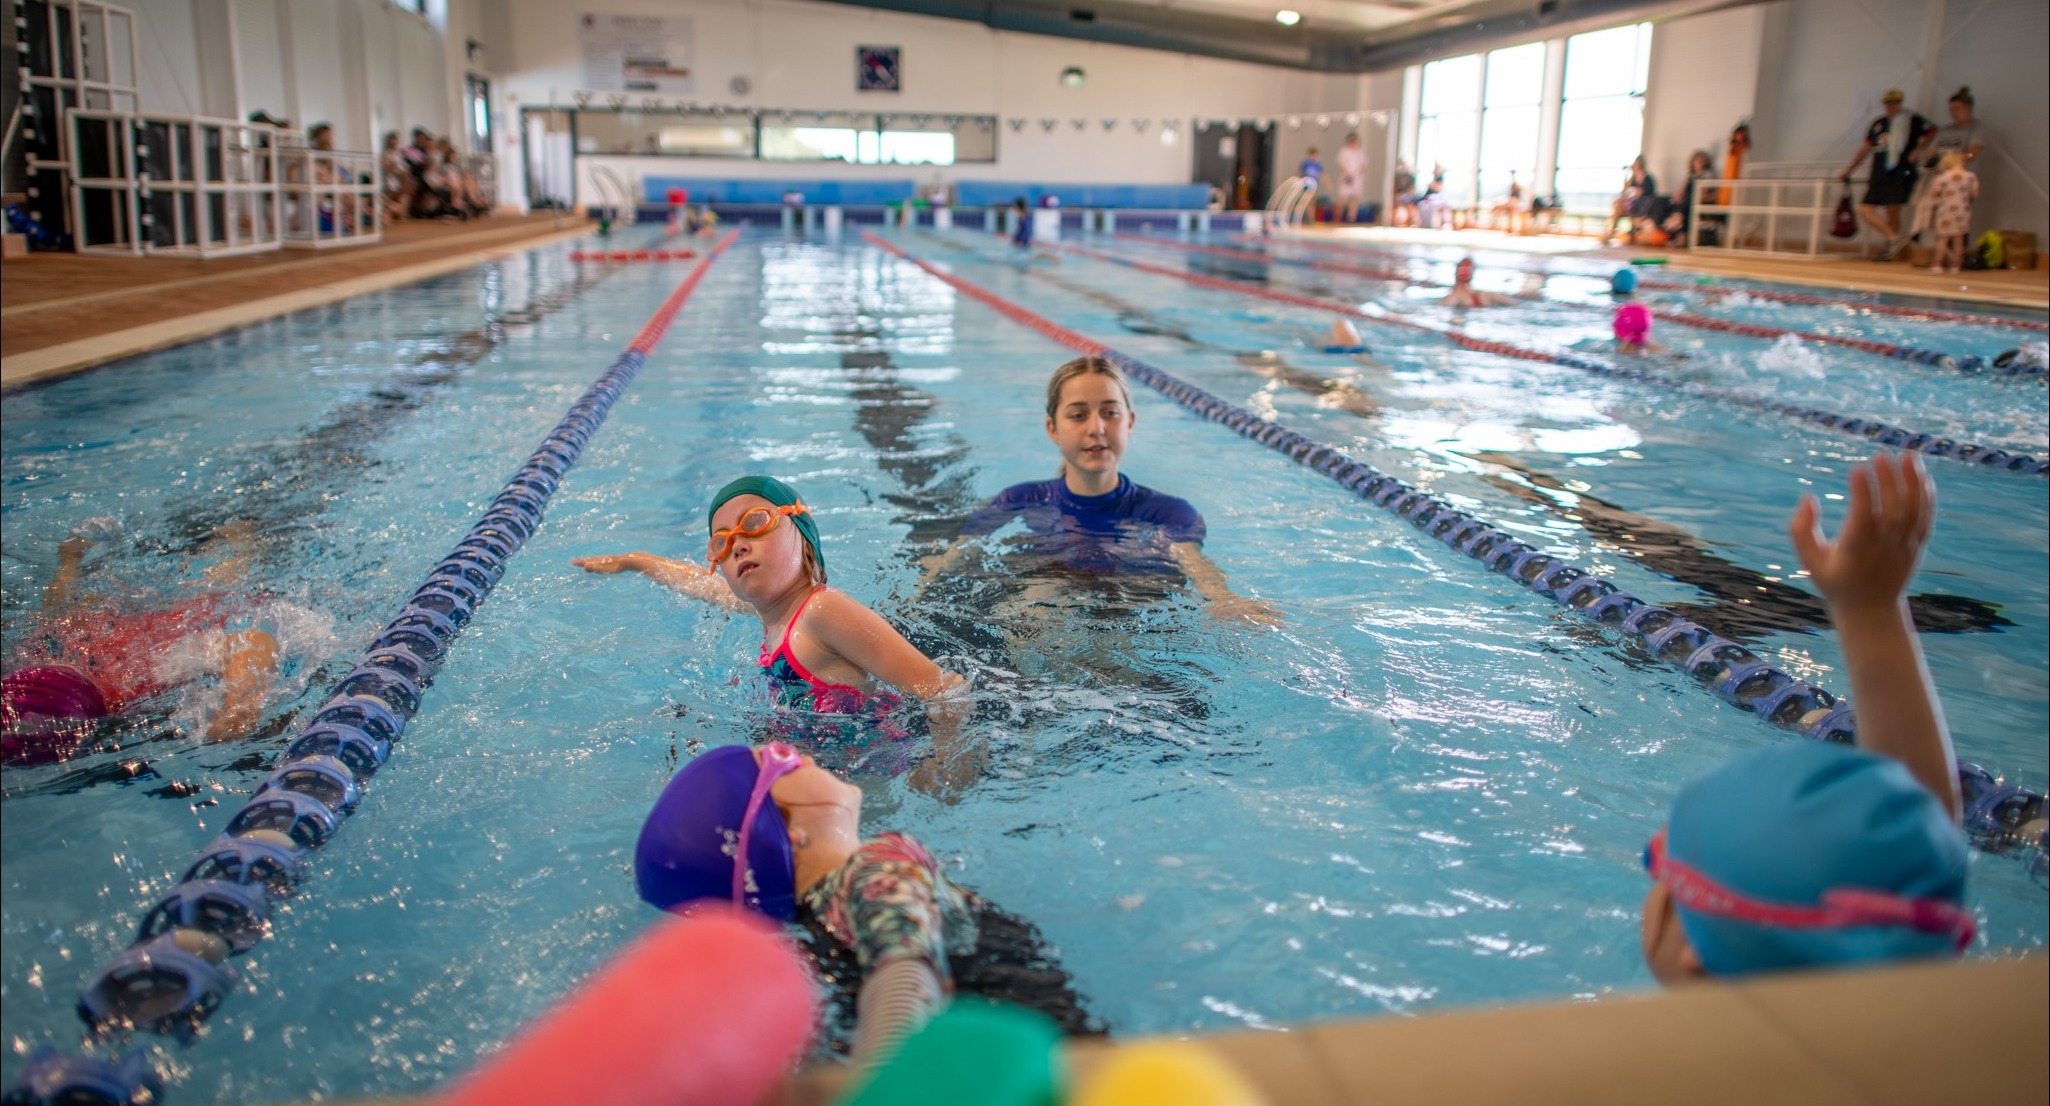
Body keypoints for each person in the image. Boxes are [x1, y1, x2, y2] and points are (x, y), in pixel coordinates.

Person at [1640, 453, 1975, 984]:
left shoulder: (1642, 1066)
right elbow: (1914, 834)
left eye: (1656, 865)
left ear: (1693, 957)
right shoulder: (1902, 1004)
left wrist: (1869, 611)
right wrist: (1872, 610)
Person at [634, 741, 1102, 1062]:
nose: (804, 754)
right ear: (786, 834)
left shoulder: (808, 943)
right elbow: (904, 968)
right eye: (782, 760)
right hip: (1051, 1063)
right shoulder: (876, 864)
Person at [571, 477, 974, 782]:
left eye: (755, 523)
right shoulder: (778, 615)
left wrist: (948, 766)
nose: (738, 546)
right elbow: (704, 586)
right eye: (721, 544)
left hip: (866, 775)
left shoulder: (822, 610)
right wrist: (638, 561)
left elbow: (944, 689)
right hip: (822, 768)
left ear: (805, 539)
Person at [919, 357, 1278, 626]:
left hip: (1132, 601)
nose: (1097, 428)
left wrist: (1223, 598)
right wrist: (921, 588)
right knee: (1032, 613)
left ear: (1130, 422)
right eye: (1078, 415)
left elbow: (1196, 566)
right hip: (1044, 591)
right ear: (1052, 429)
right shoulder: (1018, 500)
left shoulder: (1171, 513)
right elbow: (953, 557)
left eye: (1110, 413)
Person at [1, 521, 327, 764]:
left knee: (217, 598)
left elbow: (249, 635)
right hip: (85, 641)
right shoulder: (58, 649)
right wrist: (240, 706)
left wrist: (240, 708)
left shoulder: (134, 683)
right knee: (64, 615)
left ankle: (238, 541)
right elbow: (249, 639)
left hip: (114, 644)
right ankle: (69, 561)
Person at [1838, 89, 1934, 248]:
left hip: (1899, 172)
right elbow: (1865, 148)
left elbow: (1932, 130)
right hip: (1879, 172)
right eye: (1888, 103)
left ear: (1900, 103)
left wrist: (1918, 150)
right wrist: (1849, 170)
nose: (1891, 106)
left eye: (1894, 103)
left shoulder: (1910, 120)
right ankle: (1894, 238)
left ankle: (1891, 247)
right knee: (1865, 209)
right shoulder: (1878, 124)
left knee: (1892, 209)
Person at [1902, 88, 1985, 252]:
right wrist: (1930, 159)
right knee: (1934, 214)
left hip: (1960, 181)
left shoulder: (1976, 127)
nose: (1953, 113)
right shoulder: (1945, 130)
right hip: (1940, 178)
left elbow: (1973, 152)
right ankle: (1940, 251)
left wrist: (1952, 160)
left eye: (1957, 109)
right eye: (1951, 109)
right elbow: (1932, 152)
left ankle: (1958, 253)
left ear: (1968, 108)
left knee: (1959, 216)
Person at [1923, 152, 1978, 274]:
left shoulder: (1942, 178)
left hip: (1945, 210)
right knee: (1958, 237)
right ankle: (1956, 265)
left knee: (1942, 238)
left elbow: (1934, 194)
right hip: (1963, 210)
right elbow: (1974, 194)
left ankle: (1938, 264)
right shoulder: (1970, 176)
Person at [1604, 157, 1658, 245]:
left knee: (1619, 205)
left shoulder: (1647, 179)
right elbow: (1624, 192)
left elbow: (1644, 194)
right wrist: (1626, 175)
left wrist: (1633, 194)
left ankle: (1611, 232)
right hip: (1631, 204)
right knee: (1618, 204)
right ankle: (1611, 231)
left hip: (1642, 206)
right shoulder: (1632, 179)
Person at [1439, 256, 1512, 308]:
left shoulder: (1455, 296)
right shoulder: (1488, 295)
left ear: (1455, 274)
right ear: (1472, 275)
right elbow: (1512, 303)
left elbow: (1441, 308)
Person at [379, 131, 413, 223]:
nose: (394, 143)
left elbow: (404, 167)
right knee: (392, 199)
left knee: (404, 198)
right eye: (392, 141)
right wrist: (399, 173)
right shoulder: (386, 154)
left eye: (396, 141)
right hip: (391, 182)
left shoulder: (399, 154)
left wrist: (405, 174)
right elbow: (389, 168)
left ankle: (401, 214)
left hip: (401, 181)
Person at [1336, 133, 1367, 223]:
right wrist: (1346, 173)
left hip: (1356, 178)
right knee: (1343, 198)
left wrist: (1356, 174)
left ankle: (1351, 217)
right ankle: (1338, 217)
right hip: (1346, 177)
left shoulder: (1360, 152)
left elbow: (1363, 165)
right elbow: (1341, 164)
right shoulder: (1344, 152)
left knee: (1355, 198)